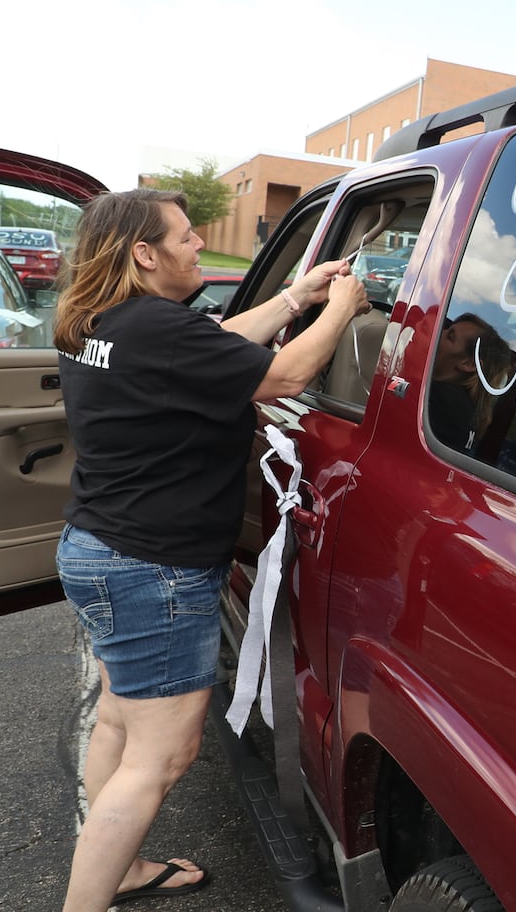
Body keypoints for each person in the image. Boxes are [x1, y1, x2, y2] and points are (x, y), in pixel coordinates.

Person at [51, 188, 367, 911]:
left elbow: (217, 342)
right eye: (187, 237)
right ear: (145, 254)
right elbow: (282, 377)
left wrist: (295, 299)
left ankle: (120, 868)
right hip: (151, 571)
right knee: (162, 757)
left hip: (96, 549)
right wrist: (344, 309)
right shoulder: (160, 331)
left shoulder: (92, 321)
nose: (200, 246)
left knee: (118, 719)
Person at [420, 313, 513, 453]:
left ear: (468, 363)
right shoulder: (470, 413)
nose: (438, 333)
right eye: (446, 329)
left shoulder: (435, 400)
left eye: (450, 337)